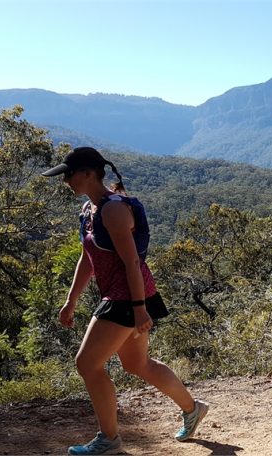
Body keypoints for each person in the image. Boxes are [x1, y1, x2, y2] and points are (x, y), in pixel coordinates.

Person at [42, 147, 208, 455]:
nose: (65, 181)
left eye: (69, 174)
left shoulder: (113, 210)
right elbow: (87, 259)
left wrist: (138, 309)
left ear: (89, 174)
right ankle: (192, 408)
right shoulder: (89, 211)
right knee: (136, 363)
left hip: (127, 297)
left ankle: (109, 439)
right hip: (124, 295)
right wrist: (71, 300)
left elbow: (132, 262)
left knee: (87, 363)